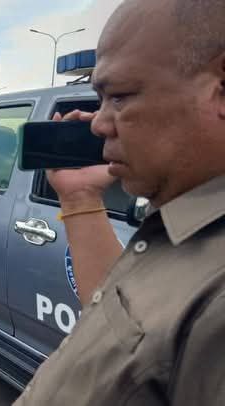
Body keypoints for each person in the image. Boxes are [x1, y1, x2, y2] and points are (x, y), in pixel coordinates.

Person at [15, 0, 225, 404]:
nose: (97, 122)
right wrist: (79, 197)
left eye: (120, 97)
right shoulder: (186, 222)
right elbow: (124, 324)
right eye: (100, 99)